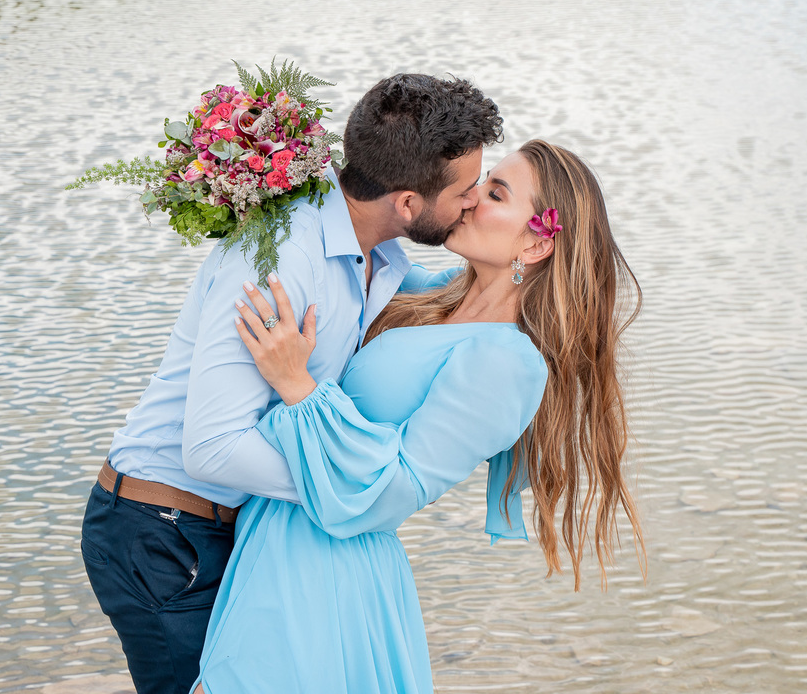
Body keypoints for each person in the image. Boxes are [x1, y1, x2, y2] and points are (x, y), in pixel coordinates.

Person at [80, 73, 504, 694]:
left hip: (230, 527)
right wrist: (349, 489)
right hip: (164, 531)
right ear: (409, 203)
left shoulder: (381, 261)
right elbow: (212, 447)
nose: (473, 202)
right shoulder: (279, 262)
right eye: (467, 190)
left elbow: (462, 319)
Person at [193, 139, 647, 694]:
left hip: (329, 564)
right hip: (277, 534)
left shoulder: (507, 361)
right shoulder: (430, 293)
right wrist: (259, 161)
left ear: (534, 243)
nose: (469, 199)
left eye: (495, 193)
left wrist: (298, 386)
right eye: (477, 186)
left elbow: (399, 490)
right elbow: (352, 232)